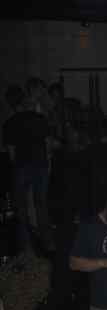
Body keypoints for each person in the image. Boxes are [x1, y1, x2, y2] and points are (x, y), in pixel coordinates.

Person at [3, 82, 53, 252]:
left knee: (21, 207)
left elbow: (11, 153)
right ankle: (48, 242)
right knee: (41, 205)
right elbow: (48, 145)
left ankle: (26, 245)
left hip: (21, 166)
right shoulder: (39, 119)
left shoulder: (10, 123)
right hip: (40, 165)